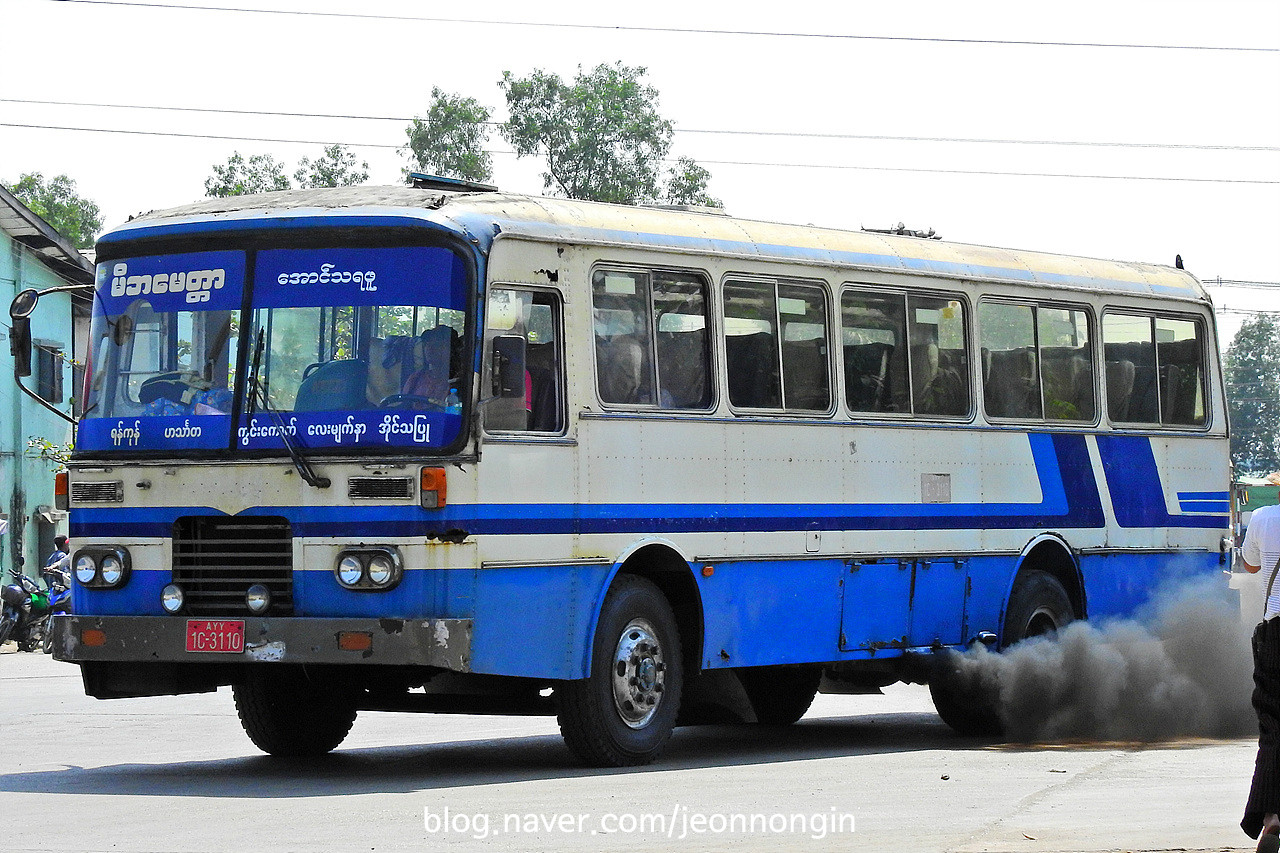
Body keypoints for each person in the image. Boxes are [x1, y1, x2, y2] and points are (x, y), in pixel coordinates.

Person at [1241, 477, 1280, 851]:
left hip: (1276, 633)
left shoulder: (1263, 517)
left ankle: (1271, 817)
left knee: (1274, 726)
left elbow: (1251, 567)